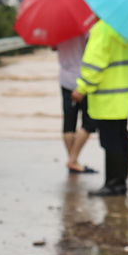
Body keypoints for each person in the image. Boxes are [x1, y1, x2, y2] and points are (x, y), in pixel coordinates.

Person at [72, 19, 128, 197]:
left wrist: (81, 88)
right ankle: (120, 182)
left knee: (111, 143)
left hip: (107, 98)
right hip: (126, 96)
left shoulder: (102, 29)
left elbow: (94, 65)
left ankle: (112, 184)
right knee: (121, 140)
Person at [56, 32, 98, 174]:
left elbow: (53, 47)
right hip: (83, 79)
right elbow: (92, 50)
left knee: (69, 121)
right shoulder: (85, 31)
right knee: (88, 123)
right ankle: (73, 159)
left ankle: (72, 159)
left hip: (65, 79)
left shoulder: (58, 31)